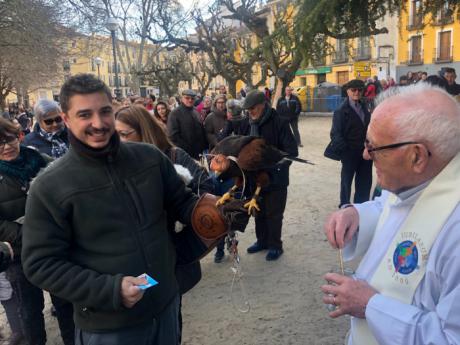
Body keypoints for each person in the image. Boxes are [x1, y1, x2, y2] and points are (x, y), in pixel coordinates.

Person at [21, 74, 232, 345]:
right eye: (85, 114)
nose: (98, 123)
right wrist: (109, 290)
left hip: (166, 305)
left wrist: (217, 210)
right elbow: (40, 264)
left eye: (105, 111)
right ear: (66, 119)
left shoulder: (149, 157)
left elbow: (183, 203)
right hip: (109, 326)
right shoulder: (49, 186)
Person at [322, 83, 460, 345]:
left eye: (373, 147)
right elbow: (392, 206)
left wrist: (370, 306)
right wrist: (356, 214)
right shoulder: (429, 175)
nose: (365, 154)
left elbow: (450, 338)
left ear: (417, 157)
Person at [114, 105, 214, 343]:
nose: (118, 140)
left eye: (124, 134)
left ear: (144, 131)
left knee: (168, 321)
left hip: (168, 255)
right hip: (128, 260)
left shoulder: (174, 155)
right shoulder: (113, 161)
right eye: (114, 133)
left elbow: (206, 190)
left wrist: (177, 194)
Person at [0, 117, 75, 345]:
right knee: (29, 310)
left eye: (9, 139)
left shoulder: (42, 161)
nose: (6, 146)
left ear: (19, 136)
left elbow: (68, 193)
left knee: (65, 303)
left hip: (55, 247)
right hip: (21, 252)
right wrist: (28, 235)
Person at [241, 90, 298, 261]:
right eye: (248, 109)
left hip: (275, 180)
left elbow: (291, 152)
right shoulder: (246, 124)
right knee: (258, 212)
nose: (250, 112)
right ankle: (262, 241)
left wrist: (271, 169)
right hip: (254, 180)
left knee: (274, 214)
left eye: (253, 108)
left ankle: (275, 245)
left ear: (263, 105)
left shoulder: (280, 123)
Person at [328, 79, 372, 208]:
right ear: (347, 91)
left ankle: (361, 207)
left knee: (365, 181)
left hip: (365, 151)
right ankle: (345, 205)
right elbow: (335, 134)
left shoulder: (365, 107)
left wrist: (369, 145)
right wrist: (345, 152)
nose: (357, 92)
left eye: (359, 90)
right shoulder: (340, 111)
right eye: (353, 90)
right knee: (346, 181)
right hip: (349, 152)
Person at [167, 89, 208, 160]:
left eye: (192, 98)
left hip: (198, 153)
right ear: (181, 99)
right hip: (184, 154)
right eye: (187, 98)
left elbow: (201, 130)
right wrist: (186, 149)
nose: (190, 100)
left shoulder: (195, 111)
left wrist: (204, 146)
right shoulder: (175, 114)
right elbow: (173, 136)